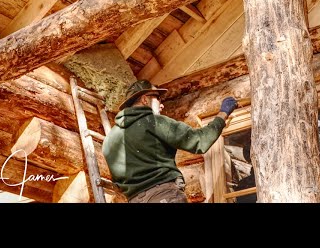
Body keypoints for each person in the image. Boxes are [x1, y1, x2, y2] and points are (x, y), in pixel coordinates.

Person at [102, 79, 238, 203]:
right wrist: (222, 115)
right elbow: (199, 141)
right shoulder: (154, 122)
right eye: (158, 98)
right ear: (144, 99)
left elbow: (118, 182)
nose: (162, 105)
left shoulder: (109, 139)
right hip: (163, 196)